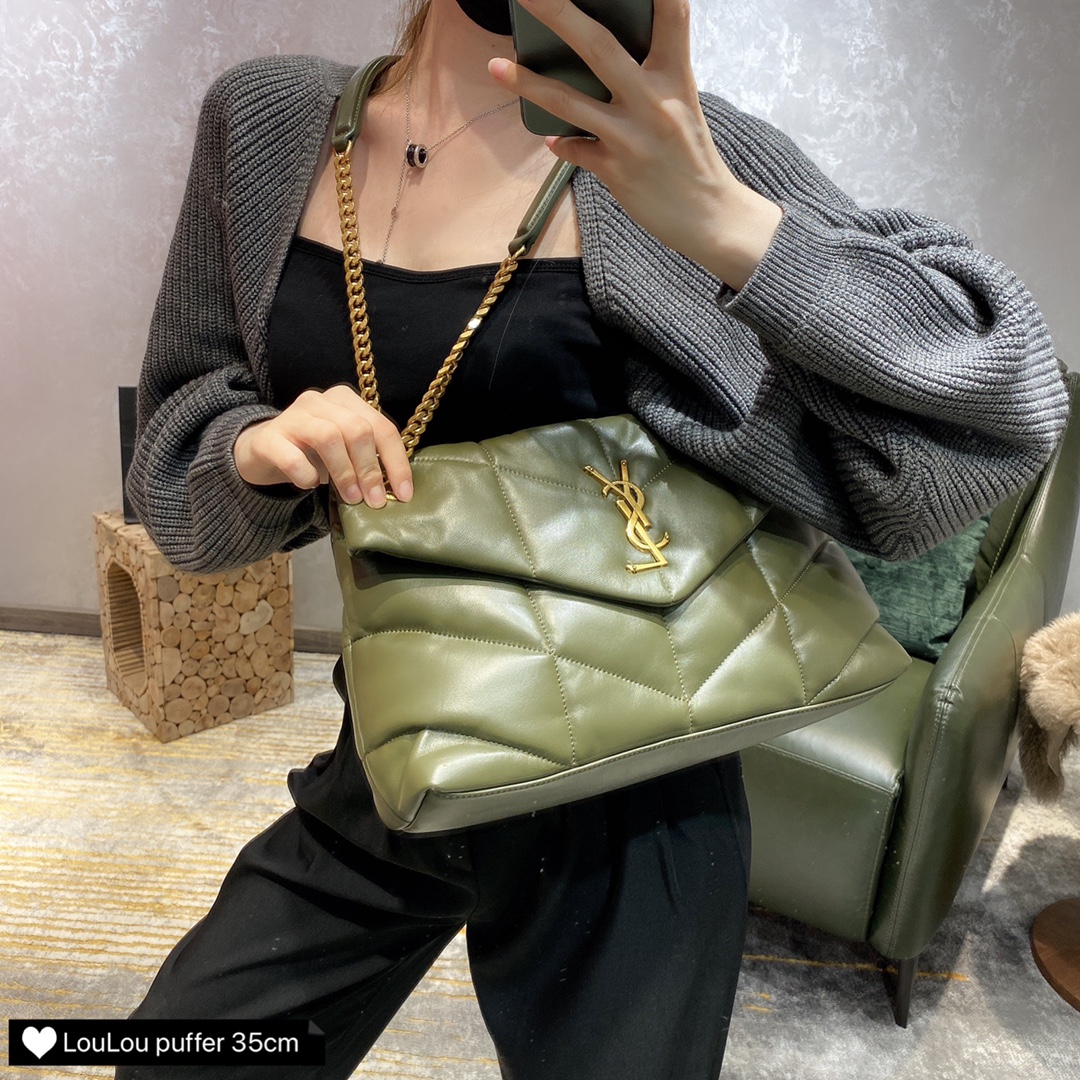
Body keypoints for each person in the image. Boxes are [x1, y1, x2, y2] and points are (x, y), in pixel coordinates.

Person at [118, 1, 1069, 1077]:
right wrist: (250, 449)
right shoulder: (268, 121)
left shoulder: (681, 147)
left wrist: (720, 217)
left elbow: (1005, 415)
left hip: (637, 794)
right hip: (403, 739)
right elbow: (174, 468)